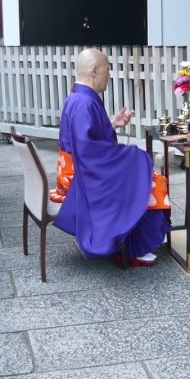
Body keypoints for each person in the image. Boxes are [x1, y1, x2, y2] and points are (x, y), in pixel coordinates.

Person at [53, 48, 171, 265]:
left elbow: (88, 141)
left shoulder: (79, 97)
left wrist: (112, 125)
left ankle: (129, 241)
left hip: (81, 168)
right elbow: (87, 150)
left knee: (144, 175)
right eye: (108, 70)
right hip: (82, 174)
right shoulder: (83, 102)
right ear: (94, 70)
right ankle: (133, 247)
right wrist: (131, 157)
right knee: (151, 182)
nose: (109, 76)